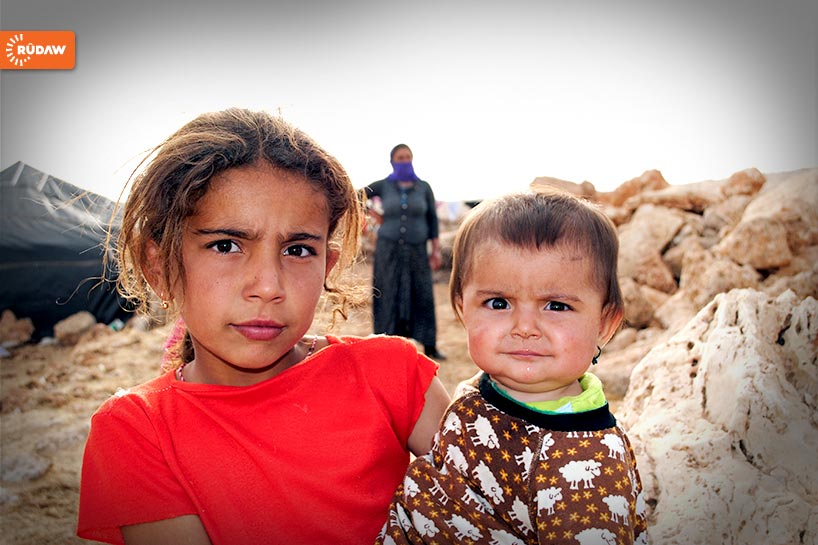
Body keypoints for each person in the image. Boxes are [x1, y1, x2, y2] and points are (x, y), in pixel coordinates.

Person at [76, 108, 451, 545]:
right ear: (159, 268)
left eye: (297, 250)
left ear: (327, 266)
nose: (268, 286)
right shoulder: (139, 431)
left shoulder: (393, 375)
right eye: (226, 245)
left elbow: (497, 504)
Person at [376, 190, 649, 544]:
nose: (524, 327)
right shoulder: (486, 387)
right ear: (462, 309)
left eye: (556, 306)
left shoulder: (588, 469)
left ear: (605, 324)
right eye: (498, 303)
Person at [362, 144, 446, 360]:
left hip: (417, 248)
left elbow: (432, 220)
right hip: (388, 249)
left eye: (408, 157)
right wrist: (373, 214)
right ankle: (386, 343)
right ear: (392, 161)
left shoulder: (423, 187)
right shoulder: (384, 185)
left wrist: (435, 250)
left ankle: (429, 345)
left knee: (422, 293)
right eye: (400, 157)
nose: (404, 161)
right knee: (387, 292)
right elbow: (357, 195)